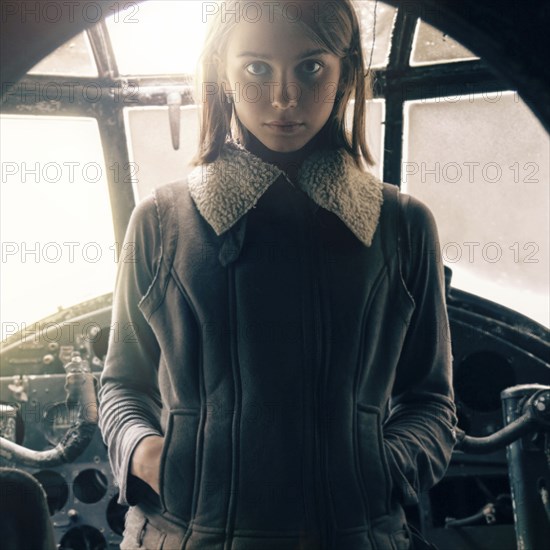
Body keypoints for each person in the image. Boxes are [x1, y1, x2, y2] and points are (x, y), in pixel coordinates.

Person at [98, 1, 458, 548]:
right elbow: (123, 384)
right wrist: (149, 455)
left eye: (310, 67)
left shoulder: (403, 226)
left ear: (345, 73)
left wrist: (383, 468)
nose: (284, 98)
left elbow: (430, 401)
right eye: (256, 68)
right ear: (222, 71)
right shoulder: (159, 221)